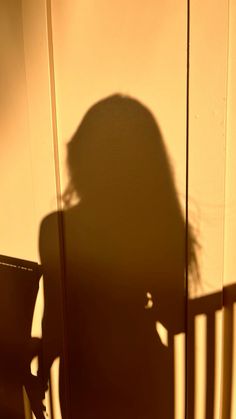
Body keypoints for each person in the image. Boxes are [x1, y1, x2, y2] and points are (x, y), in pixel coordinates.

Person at [39, 94, 198, 418]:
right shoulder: (152, 225)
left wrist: (38, 374)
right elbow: (176, 320)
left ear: (82, 159)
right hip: (148, 379)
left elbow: (54, 323)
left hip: (84, 384)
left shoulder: (57, 228)